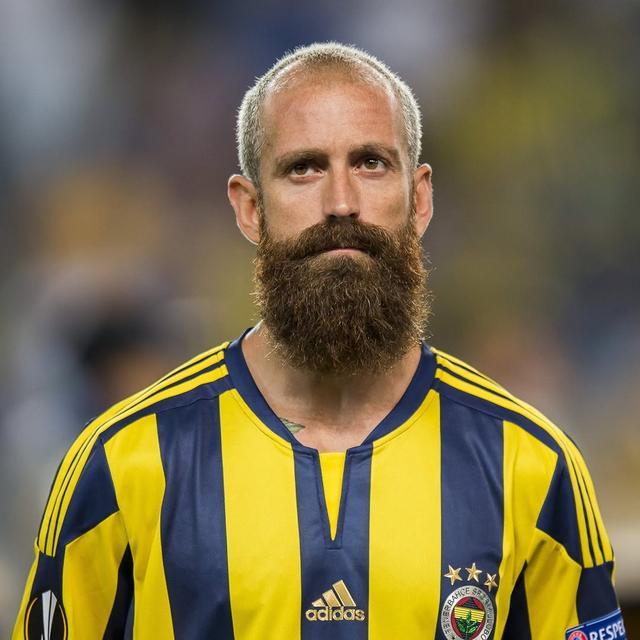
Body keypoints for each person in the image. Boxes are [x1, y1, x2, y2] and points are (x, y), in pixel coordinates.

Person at [13, 42, 625, 640]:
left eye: (371, 163)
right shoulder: (123, 462)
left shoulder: (532, 467)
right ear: (250, 208)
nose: (341, 203)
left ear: (420, 200)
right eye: (303, 168)